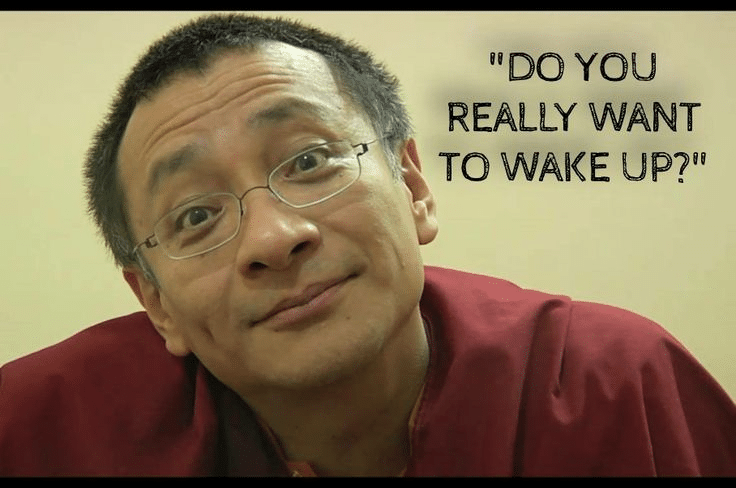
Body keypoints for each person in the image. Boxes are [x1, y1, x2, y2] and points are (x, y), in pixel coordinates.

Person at [1, 13, 735, 476]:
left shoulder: (612, 384)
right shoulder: (37, 435)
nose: (274, 238)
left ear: (413, 188)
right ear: (155, 303)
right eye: (196, 216)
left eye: (309, 161)